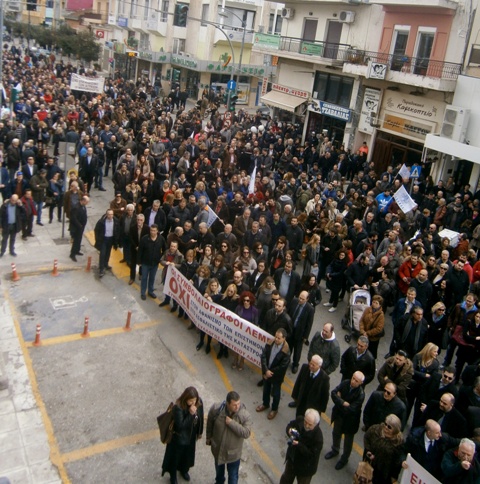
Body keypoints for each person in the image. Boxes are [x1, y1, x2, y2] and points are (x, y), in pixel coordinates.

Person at [206, 390, 252, 484]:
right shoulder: (216, 409)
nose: (237, 406)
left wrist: (232, 423)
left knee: (233, 476)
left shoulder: (244, 415)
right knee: (219, 474)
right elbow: (210, 422)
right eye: (234, 404)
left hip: (233, 454)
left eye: (238, 403)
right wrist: (208, 437)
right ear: (228, 403)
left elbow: (246, 433)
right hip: (218, 449)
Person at [161, 387, 203, 484]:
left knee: (187, 456)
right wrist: (191, 414)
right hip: (179, 438)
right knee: (175, 458)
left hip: (191, 437)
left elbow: (200, 415)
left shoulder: (199, 402)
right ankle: (173, 476)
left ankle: (184, 470)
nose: (193, 403)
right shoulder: (178, 407)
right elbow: (181, 425)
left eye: (194, 400)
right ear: (185, 399)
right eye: (190, 401)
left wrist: (199, 432)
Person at [325, 371, 365, 470]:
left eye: (356, 380)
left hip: (350, 421)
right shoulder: (346, 383)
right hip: (339, 416)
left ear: (360, 383)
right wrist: (342, 402)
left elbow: (351, 409)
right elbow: (333, 393)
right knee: (336, 433)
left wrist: (339, 399)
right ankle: (335, 449)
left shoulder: (360, 394)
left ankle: (344, 459)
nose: (353, 381)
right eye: (353, 378)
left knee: (348, 441)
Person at [279, 409, 323, 484]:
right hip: (292, 460)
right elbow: (290, 425)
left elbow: (311, 455)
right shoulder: (300, 420)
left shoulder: (318, 438)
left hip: (305, 469)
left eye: (310, 424)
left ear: (315, 424)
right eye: (305, 422)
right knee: (285, 480)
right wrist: (289, 430)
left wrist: (299, 445)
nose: (306, 425)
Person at [257, 328, 291, 420]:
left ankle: (274, 409)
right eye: (276, 337)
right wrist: (265, 370)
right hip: (267, 372)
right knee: (266, 389)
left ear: (284, 338)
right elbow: (263, 356)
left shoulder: (286, 351)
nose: (276, 339)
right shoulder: (270, 343)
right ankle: (265, 404)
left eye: (279, 338)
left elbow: (282, 366)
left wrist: (270, 372)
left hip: (276, 376)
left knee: (276, 393)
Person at [364, 414, 405, 484]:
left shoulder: (398, 442)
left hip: (384, 474)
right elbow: (367, 438)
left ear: (395, 430)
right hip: (370, 465)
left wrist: (394, 476)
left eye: (389, 427)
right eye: (385, 424)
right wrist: (368, 451)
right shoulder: (376, 429)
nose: (386, 427)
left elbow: (397, 461)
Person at [288, 291, 315, 373]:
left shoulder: (310, 309)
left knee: (297, 350)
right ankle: (286, 360)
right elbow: (289, 312)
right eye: (300, 297)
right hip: (290, 329)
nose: (300, 300)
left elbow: (309, 324)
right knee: (288, 346)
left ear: (307, 299)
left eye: (302, 299)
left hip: (299, 333)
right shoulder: (294, 301)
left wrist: (305, 337)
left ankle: (295, 364)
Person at [138, 224, 165, 301]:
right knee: (144, 278)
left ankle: (150, 291)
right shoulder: (144, 239)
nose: (152, 232)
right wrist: (139, 261)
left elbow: (164, 249)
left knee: (152, 278)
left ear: (157, 231)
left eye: (154, 231)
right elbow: (140, 250)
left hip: (155, 263)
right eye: (151, 230)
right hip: (145, 263)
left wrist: (160, 257)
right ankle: (143, 292)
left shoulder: (161, 239)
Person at [94, 209, 120, 278]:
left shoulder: (116, 221)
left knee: (108, 252)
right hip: (104, 239)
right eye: (109, 214)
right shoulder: (101, 221)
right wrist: (98, 239)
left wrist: (116, 241)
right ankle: (101, 269)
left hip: (111, 239)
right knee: (102, 254)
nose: (110, 216)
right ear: (106, 214)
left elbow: (117, 231)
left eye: (111, 214)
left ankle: (106, 264)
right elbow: (96, 230)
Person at [359, 295, 385, 359]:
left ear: (380, 305)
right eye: (373, 302)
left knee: (371, 354)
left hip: (373, 338)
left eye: (376, 303)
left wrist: (367, 333)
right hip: (364, 335)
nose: (374, 304)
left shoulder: (381, 315)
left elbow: (378, 328)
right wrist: (362, 331)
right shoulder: (367, 309)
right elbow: (362, 320)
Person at [69, 195, 89, 262]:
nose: (87, 203)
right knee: (76, 240)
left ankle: (77, 250)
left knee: (79, 239)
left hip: (81, 227)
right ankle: (72, 254)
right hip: (77, 227)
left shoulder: (83, 206)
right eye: (87, 202)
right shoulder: (76, 207)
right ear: (83, 201)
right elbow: (73, 218)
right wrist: (79, 225)